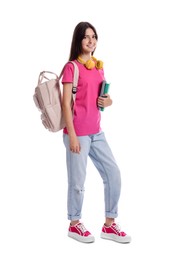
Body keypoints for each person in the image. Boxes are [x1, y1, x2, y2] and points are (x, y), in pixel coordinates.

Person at [61, 21, 131, 244]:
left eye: (94, 36)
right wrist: (71, 135)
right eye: (86, 37)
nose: (91, 41)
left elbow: (101, 99)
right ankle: (74, 224)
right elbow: (65, 104)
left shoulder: (98, 66)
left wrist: (108, 101)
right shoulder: (71, 67)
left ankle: (109, 225)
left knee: (113, 174)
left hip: (97, 132)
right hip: (78, 133)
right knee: (78, 182)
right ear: (78, 40)